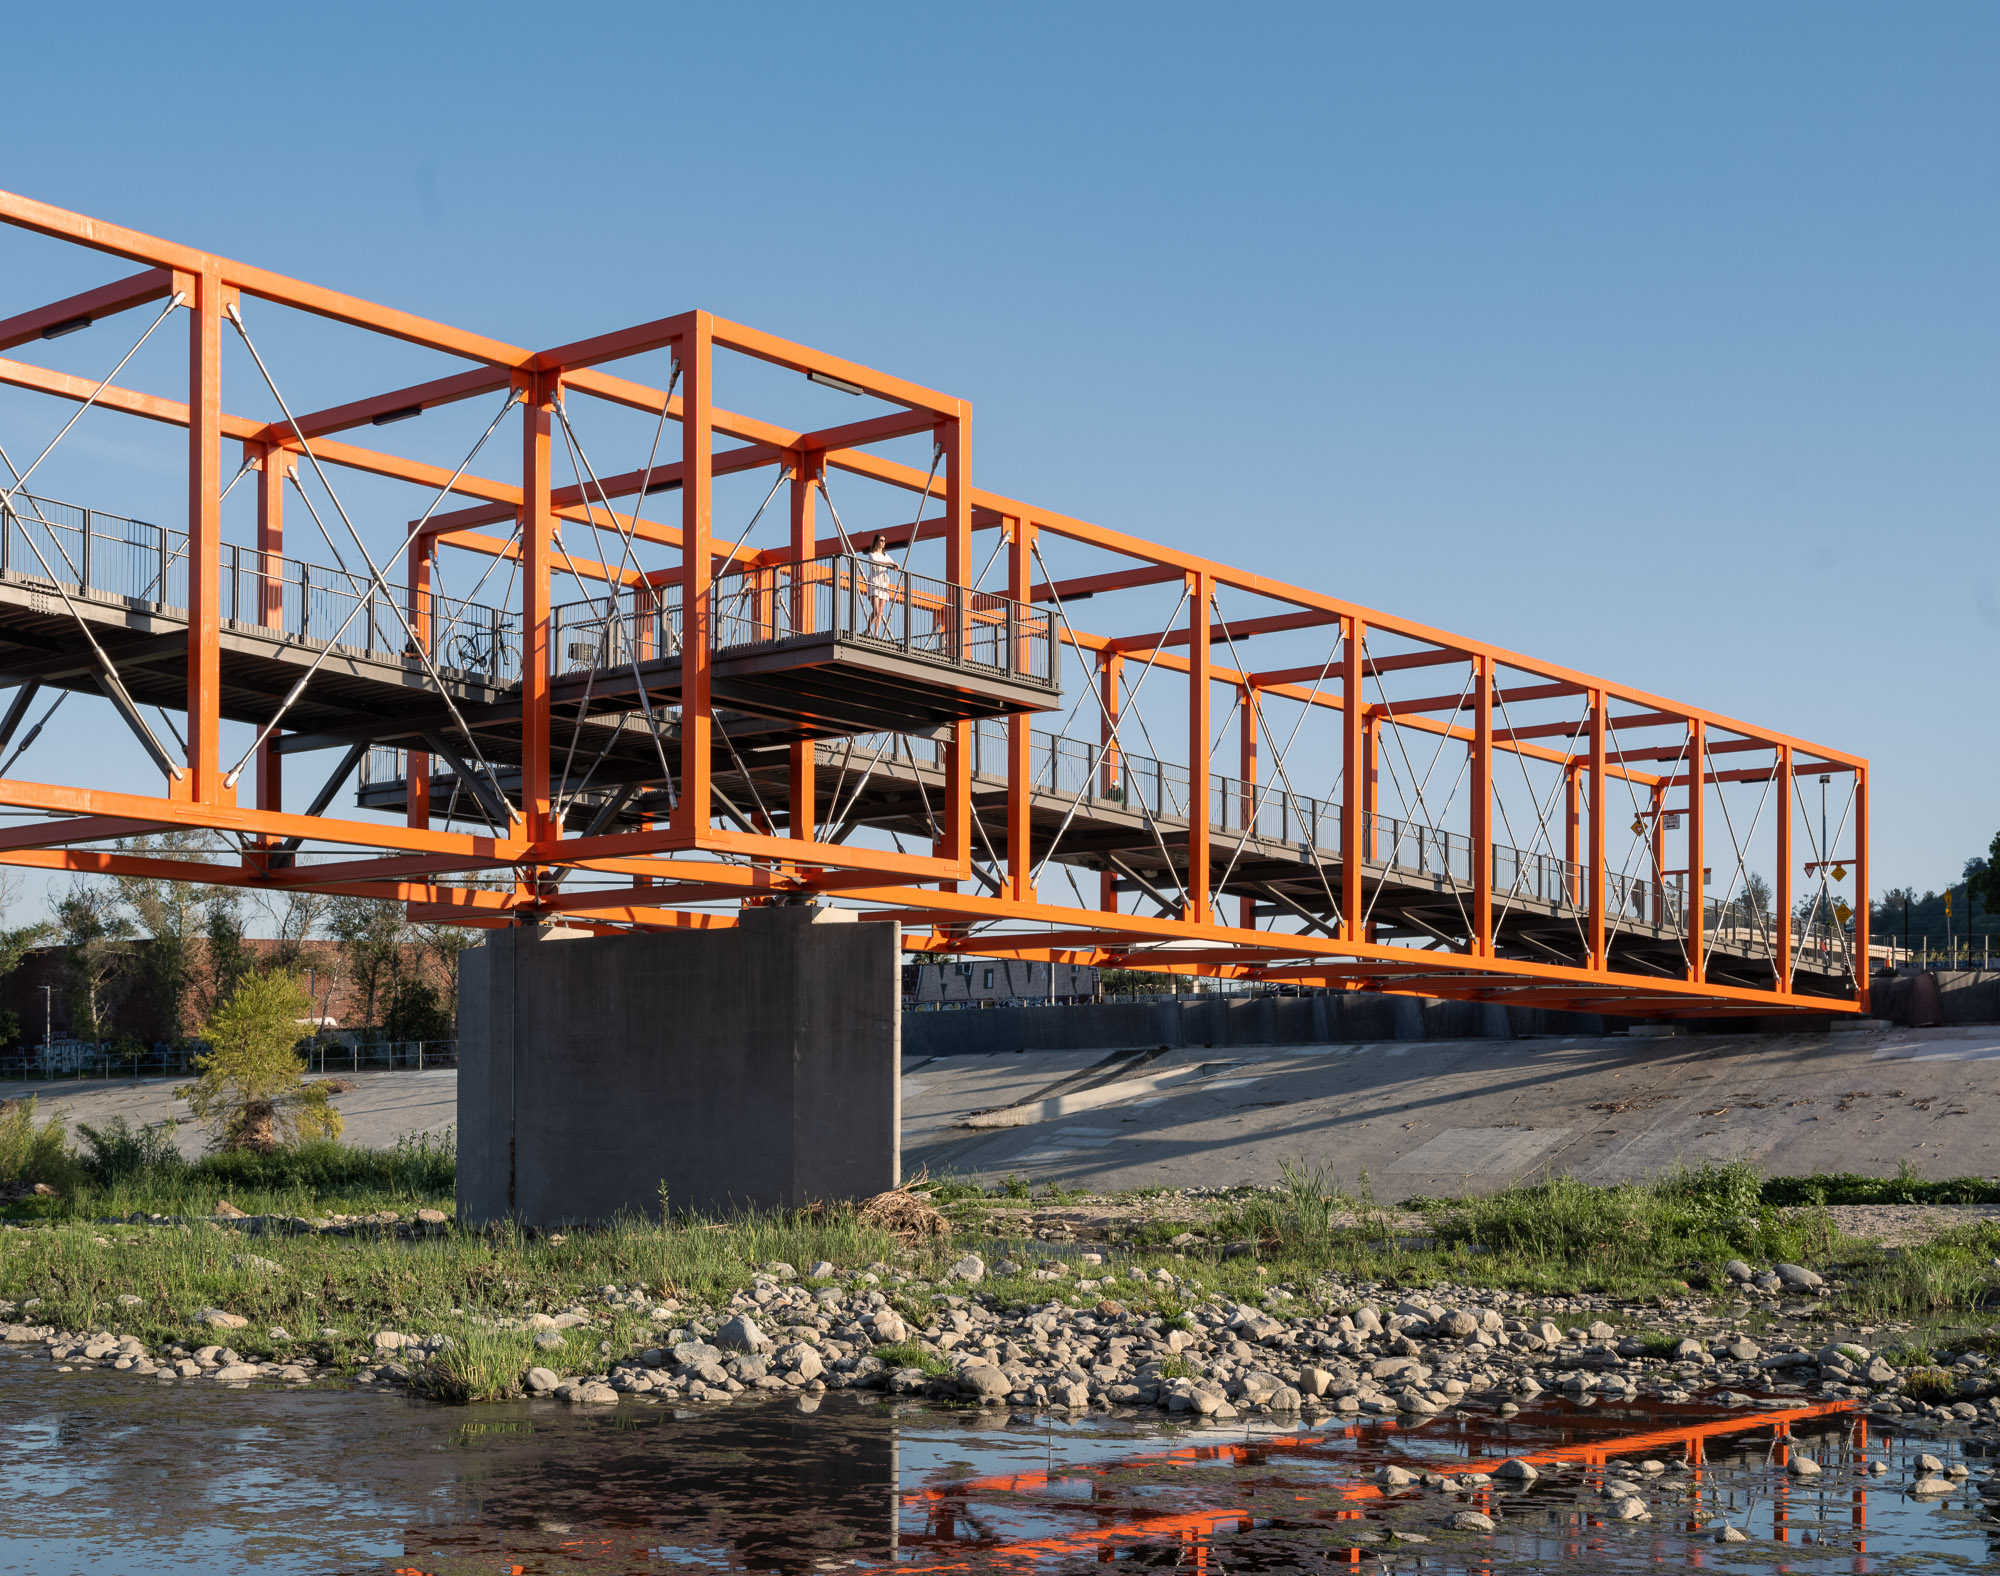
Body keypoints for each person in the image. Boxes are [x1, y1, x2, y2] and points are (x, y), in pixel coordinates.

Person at [863, 532, 898, 636]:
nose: (883, 543)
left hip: (883, 583)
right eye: (881, 540)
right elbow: (876, 562)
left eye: (884, 541)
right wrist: (890, 563)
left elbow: (893, 563)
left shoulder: (886, 555)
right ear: (876, 542)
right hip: (874, 581)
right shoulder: (871, 554)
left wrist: (894, 566)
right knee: (876, 610)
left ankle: (876, 633)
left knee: (880, 612)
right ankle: (868, 629)